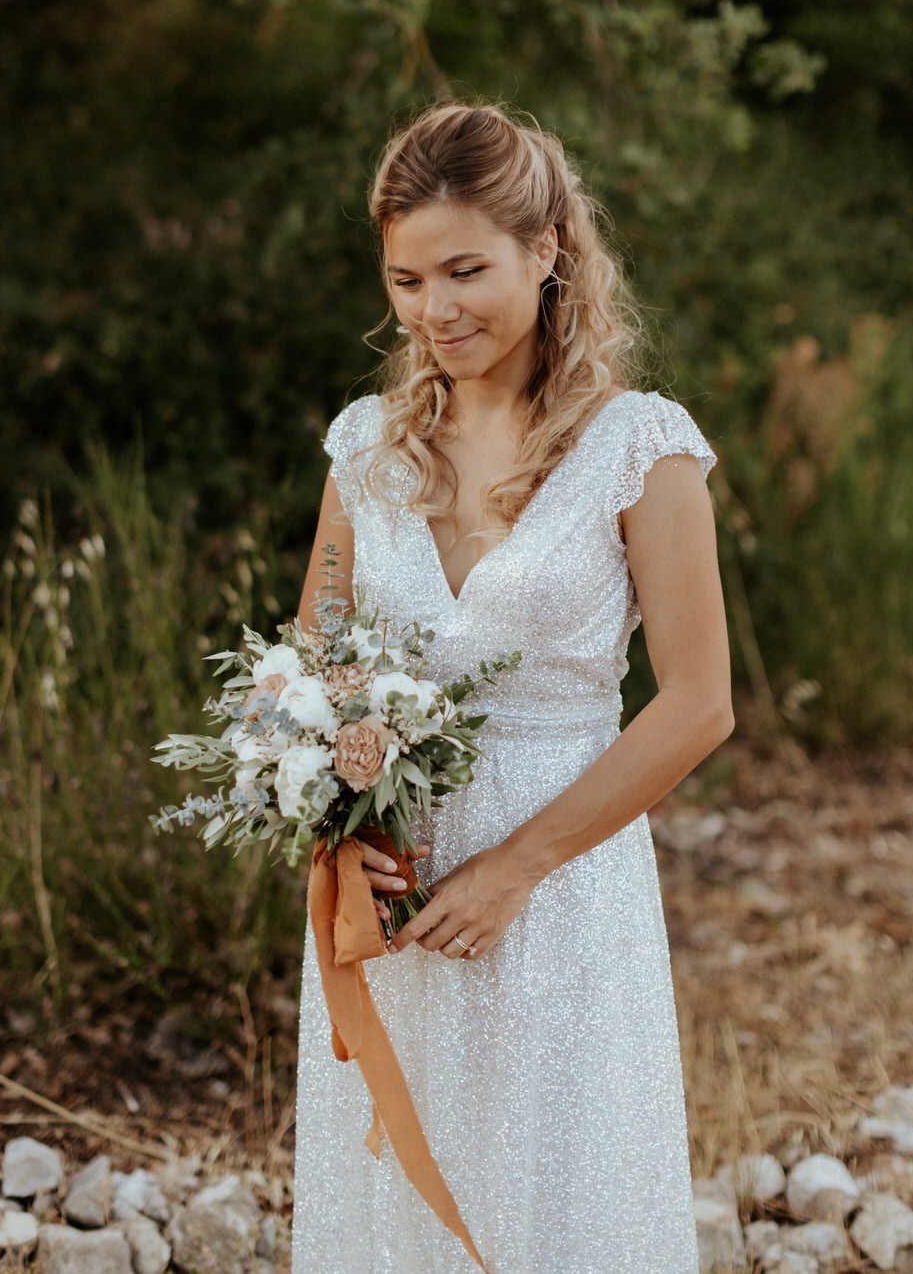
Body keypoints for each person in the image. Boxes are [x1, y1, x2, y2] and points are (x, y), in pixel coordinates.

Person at [289, 102, 733, 1274]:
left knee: (556, 1199)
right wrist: (336, 826)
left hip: (560, 896)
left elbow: (699, 702)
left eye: (464, 271)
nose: (433, 311)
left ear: (545, 250)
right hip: (390, 899)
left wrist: (516, 866)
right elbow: (313, 666)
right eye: (405, 280)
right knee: (397, 1209)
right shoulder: (364, 448)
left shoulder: (640, 448)